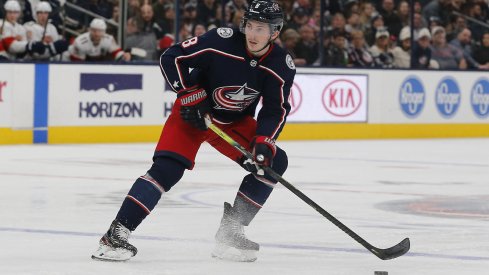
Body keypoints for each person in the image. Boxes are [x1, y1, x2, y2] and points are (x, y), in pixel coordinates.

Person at [92, 0, 295, 263]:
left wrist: (264, 141)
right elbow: (171, 56)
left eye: (261, 29)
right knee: (167, 170)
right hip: (193, 114)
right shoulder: (220, 41)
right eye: (250, 26)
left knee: (273, 162)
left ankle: (230, 233)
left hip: (232, 123)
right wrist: (190, 94)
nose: (253, 34)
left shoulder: (281, 65)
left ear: (275, 32)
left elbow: (275, 110)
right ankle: (115, 235)